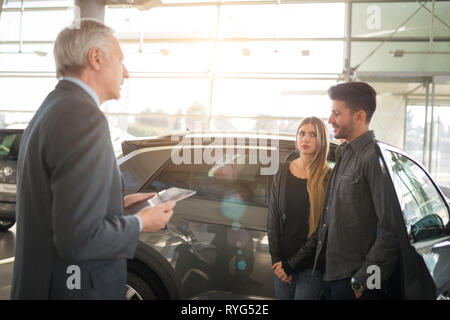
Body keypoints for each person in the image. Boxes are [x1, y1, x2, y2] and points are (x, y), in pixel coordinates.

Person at [11, 18, 176, 300]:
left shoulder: (52, 108)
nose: (126, 72)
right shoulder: (82, 117)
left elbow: (60, 209)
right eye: (120, 60)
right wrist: (140, 223)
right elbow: (77, 240)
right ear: (96, 57)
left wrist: (117, 207)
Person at [314, 82, 399, 300]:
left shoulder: (373, 158)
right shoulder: (345, 153)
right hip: (333, 277)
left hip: (355, 282)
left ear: (359, 116)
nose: (330, 119)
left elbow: (390, 229)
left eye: (337, 113)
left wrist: (364, 282)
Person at [267, 116, 330, 300]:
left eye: (313, 135)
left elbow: (323, 230)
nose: (306, 139)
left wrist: (291, 265)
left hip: (311, 266)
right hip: (282, 264)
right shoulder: (283, 171)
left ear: (322, 141)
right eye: (302, 133)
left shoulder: (328, 178)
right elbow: (272, 217)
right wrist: (277, 261)